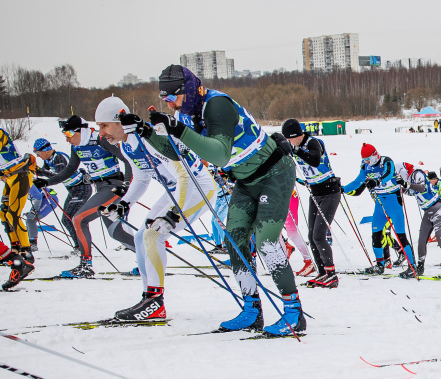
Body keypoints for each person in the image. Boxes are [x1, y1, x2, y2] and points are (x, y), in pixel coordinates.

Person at [142, 64, 303, 336]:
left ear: (188, 90)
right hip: (246, 180)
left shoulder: (217, 105)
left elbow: (219, 156)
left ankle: (294, 313)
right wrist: (145, 132)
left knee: (266, 240)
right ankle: (252, 310)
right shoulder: (194, 116)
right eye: (165, 100)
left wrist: (176, 129)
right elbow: (178, 153)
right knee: (235, 240)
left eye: (172, 97)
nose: (170, 104)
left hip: (274, 174)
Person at [95, 96, 216, 321]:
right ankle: (149, 298)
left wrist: (173, 214)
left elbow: (185, 177)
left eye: (104, 126)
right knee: (142, 237)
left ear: (119, 120)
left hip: (198, 187)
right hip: (174, 189)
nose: (102, 133)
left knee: (153, 235)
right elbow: (141, 178)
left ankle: (155, 302)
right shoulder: (126, 144)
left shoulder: (150, 138)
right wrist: (124, 204)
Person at [34, 115, 132, 278]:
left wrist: (126, 185)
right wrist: (47, 182)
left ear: (80, 131)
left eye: (69, 135)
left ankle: (85, 266)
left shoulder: (100, 139)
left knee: (79, 219)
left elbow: (128, 160)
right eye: (65, 136)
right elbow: (69, 170)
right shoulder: (77, 146)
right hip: (101, 188)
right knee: (116, 232)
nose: (68, 140)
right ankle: (148, 258)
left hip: (113, 187)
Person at [282, 118, 341, 288]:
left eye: (290, 139)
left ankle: (331, 274)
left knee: (319, 235)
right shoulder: (294, 146)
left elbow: (314, 160)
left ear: (296, 136)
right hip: (315, 193)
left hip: (330, 192)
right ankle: (322, 272)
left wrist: (295, 150)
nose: (289, 142)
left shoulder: (314, 142)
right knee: (311, 236)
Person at [343, 143, 415, 276]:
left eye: (368, 159)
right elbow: (357, 182)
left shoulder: (386, 161)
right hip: (380, 203)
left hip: (394, 201)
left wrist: (376, 182)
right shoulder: (365, 167)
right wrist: (341, 189)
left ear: (375, 155)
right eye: (364, 160)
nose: (367, 162)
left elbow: (388, 174)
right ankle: (379, 265)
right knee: (376, 234)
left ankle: (413, 266)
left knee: (400, 235)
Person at [32, 138, 91, 255]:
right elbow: (46, 171)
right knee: (69, 218)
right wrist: (36, 171)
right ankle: (79, 245)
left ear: (46, 150)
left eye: (38, 153)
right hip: (74, 190)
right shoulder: (49, 159)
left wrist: (42, 175)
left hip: (81, 188)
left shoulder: (58, 158)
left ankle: (81, 247)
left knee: (69, 218)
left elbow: (59, 176)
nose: (38, 156)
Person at [400, 163, 441, 280]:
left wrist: (406, 184)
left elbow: (422, 188)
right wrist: (400, 186)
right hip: (428, 212)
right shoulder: (410, 178)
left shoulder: (417, 173)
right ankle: (420, 267)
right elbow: (410, 192)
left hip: (438, 209)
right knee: (421, 241)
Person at [0, 125, 36, 265]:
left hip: (20, 175)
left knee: (13, 214)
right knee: (3, 214)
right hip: (10, 178)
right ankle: (14, 248)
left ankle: (26, 251)